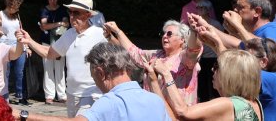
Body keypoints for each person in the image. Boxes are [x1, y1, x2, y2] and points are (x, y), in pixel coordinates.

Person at [25, 42, 169, 121]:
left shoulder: (110, 102)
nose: (96, 84)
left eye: (94, 78)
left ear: (100, 73)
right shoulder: (155, 100)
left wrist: (23, 115)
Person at [18, 0, 106, 116]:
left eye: (77, 13)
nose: (72, 16)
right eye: (71, 12)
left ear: (88, 15)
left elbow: (120, 56)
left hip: (92, 95)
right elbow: (49, 53)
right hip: (71, 94)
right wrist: (29, 41)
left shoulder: (101, 34)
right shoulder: (69, 34)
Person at [104, 18, 201, 105]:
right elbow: (134, 52)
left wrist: (193, 31)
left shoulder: (184, 57)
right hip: (154, 110)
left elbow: (194, 50)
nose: (164, 36)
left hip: (177, 114)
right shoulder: (157, 54)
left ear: (182, 40)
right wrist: (116, 32)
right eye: (163, 33)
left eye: (169, 34)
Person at [149, 48, 263, 121]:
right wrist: (154, 82)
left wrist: (166, 74)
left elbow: (182, 112)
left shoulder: (228, 104)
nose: (212, 69)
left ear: (231, 74)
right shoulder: (254, 102)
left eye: (217, 66)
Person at [190, 0, 276, 66]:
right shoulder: (256, 34)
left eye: (241, 7)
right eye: (236, 6)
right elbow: (236, 43)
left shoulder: (272, 32)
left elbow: (265, 54)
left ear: (257, 12)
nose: (235, 10)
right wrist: (206, 26)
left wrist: (238, 26)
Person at [0, 0, 29, 105]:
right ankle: (4, 96)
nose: (17, 9)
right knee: (6, 72)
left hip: (19, 44)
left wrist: (26, 47)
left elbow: (21, 30)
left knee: (20, 72)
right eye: (15, 7)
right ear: (9, 6)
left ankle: (21, 96)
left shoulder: (17, 16)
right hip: (5, 45)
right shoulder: (1, 14)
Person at [39, 0, 68, 104]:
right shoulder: (44, 10)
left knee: (60, 68)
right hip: (46, 43)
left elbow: (66, 23)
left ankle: (61, 95)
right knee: (48, 68)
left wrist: (60, 24)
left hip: (60, 42)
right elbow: (44, 25)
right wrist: (58, 24)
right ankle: (49, 95)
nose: (52, 0)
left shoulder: (62, 10)